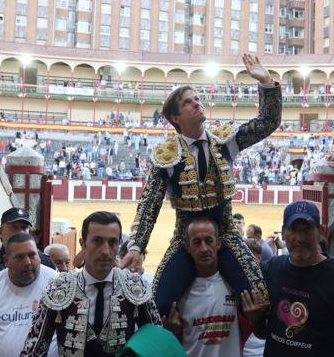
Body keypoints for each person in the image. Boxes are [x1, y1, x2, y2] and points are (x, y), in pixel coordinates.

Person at [121, 54, 282, 316]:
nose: (197, 104)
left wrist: (266, 82)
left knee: (260, 297)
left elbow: (267, 123)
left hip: (226, 235)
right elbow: (149, 203)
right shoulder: (166, 155)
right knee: (157, 307)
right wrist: (137, 246)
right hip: (185, 239)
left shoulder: (225, 139)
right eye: (188, 102)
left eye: (197, 99)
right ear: (176, 117)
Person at [21, 211, 161, 355]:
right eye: (97, 241)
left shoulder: (136, 287)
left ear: (119, 244)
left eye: (112, 242)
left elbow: (158, 344)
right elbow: (34, 348)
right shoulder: (58, 288)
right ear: (83, 244)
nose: (105, 251)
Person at [241, 201, 334, 357]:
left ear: (319, 232)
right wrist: (255, 319)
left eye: (306, 230)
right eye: (293, 230)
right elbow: (264, 334)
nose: (300, 238)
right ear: (283, 232)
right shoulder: (270, 270)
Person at [164, 218, 249, 357]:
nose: (203, 249)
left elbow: (256, 330)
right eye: (197, 242)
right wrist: (170, 333)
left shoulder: (236, 285)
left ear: (219, 243)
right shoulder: (177, 293)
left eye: (209, 241)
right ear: (188, 247)